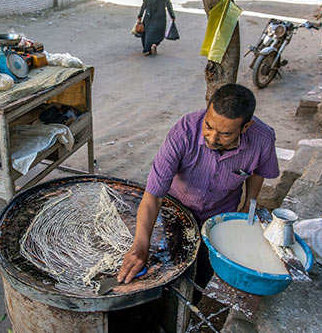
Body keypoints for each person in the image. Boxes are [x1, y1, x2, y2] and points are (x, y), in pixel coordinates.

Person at [117, 84, 280, 302]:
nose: (212, 138)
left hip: (219, 214)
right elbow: (154, 195)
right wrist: (140, 244)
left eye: (225, 134)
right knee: (168, 262)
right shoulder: (183, 132)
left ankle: (189, 303)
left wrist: (247, 206)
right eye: (208, 126)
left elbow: (258, 172)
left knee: (202, 271)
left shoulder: (263, 139)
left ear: (246, 127)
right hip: (175, 208)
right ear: (206, 111)